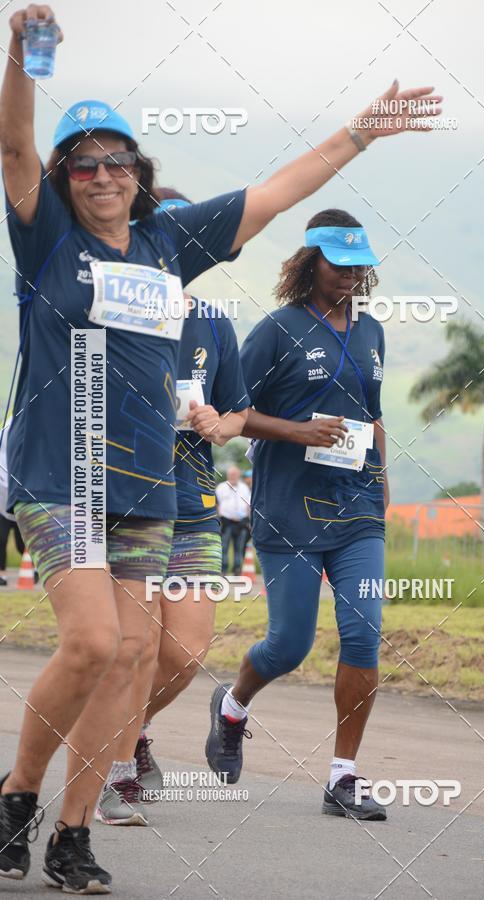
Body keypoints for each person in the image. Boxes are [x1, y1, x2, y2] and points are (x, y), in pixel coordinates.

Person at [0, 6, 441, 889]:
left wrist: (361, 133)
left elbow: (278, 191)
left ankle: (72, 835)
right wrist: (20, 59)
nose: (99, 174)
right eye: (81, 163)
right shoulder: (47, 241)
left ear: (137, 172)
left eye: (115, 160)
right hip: (60, 478)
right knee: (92, 644)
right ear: (63, 178)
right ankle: (17, 797)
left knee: (131, 658)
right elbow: (14, 150)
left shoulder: (170, 242)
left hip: (146, 489)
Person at [205, 209, 391, 821]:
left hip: (358, 508)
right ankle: (233, 706)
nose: (350, 278)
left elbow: (373, 412)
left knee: (364, 633)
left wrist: (382, 480)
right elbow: (231, 411)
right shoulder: (276, 331)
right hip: (288, 508)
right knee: (289, 645)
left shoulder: (371, 332)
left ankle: (344, 777)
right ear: (310, 262)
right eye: (340, 267)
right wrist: (298, 431)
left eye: (359, 268)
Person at [94, 193, 249, 826]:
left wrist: (220, 420)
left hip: (194, 505)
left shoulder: (215, 322)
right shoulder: (106, 312)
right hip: (125, 502)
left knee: (183, 654)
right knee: (135, 647)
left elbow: (239, 410)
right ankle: (116, 771)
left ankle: (126, 733)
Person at [216, 465, 251, 574]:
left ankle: (237, 569)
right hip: (226, 521)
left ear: (238, 474)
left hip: (241, 522)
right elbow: (217, 504)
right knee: (224, 547)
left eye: (235, 474)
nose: (233, 476)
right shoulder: (221, 487)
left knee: (239, 548)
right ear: (228, 475)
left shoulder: (244, 487)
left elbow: (248, 504)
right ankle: (224, 570)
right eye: (231, 474)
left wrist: (247, 519)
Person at [0, 512, 25, 586]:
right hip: (3, 511)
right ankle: (2, 574)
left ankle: (33, 568)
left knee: (21, 545)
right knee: (1, 540)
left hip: (17, 511)